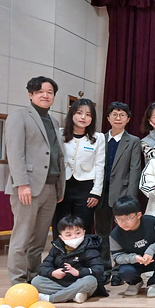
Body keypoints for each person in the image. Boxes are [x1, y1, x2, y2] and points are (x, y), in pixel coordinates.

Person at [5, 76, 65, 284]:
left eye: (49, 92)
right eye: (40, 92)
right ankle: (17, 282)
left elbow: (56, 155)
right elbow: (15, 153)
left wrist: (59, 187)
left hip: (50, 188)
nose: (45, 95)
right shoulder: (19, 116)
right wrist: (22, 184)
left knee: (39, 240)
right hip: (28, 187)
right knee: (21, 238)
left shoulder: (53, 121)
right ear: (30, 95)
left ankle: (33, 279)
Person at [96, 102, 142, 277]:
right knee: (102, 232)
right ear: (108, 117)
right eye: (114, 114)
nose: (118, 118)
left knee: (122, 233)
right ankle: (105, 268)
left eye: (122, 115)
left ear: (128, 119)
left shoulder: (133, 141)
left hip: (122, 194)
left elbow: (134, 170)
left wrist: (130, 199)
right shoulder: (99, 139)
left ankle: (118, 270)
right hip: (101, 193)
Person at [53, 98, 105, 232]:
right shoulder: (59, 133)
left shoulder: (98, 138)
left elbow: (99, 165)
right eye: (79, 113)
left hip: (86, 188)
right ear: (72, 114)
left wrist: (96, 192)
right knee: (61, 225)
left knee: (82, 226)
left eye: (88, 115)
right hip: (63, 186)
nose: (83, 117)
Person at [32, 215, 105, 303]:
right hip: (61, 283)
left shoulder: (91, 248)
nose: (74, 237)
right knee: (36, 281)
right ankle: (73, 295)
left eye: (78, 233)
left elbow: (99, 270)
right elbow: (43, 268)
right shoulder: (56, 248)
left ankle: (52, 298)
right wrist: (52, 273)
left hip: (81, 282)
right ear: (61, 237)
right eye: (68, 235)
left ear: (84, 232)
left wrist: (79, 272)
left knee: (90, 280)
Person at [110, 196, 155, 298]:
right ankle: (135, 283)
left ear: (138, 215)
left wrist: (151, 251)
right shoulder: (114, 235)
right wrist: (134, 258)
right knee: (124, 271)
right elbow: (117, 256)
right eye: (119, 219)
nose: (123, 222)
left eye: (128, 218)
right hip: (134, 263)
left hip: (153, 258)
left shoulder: (151, 222)